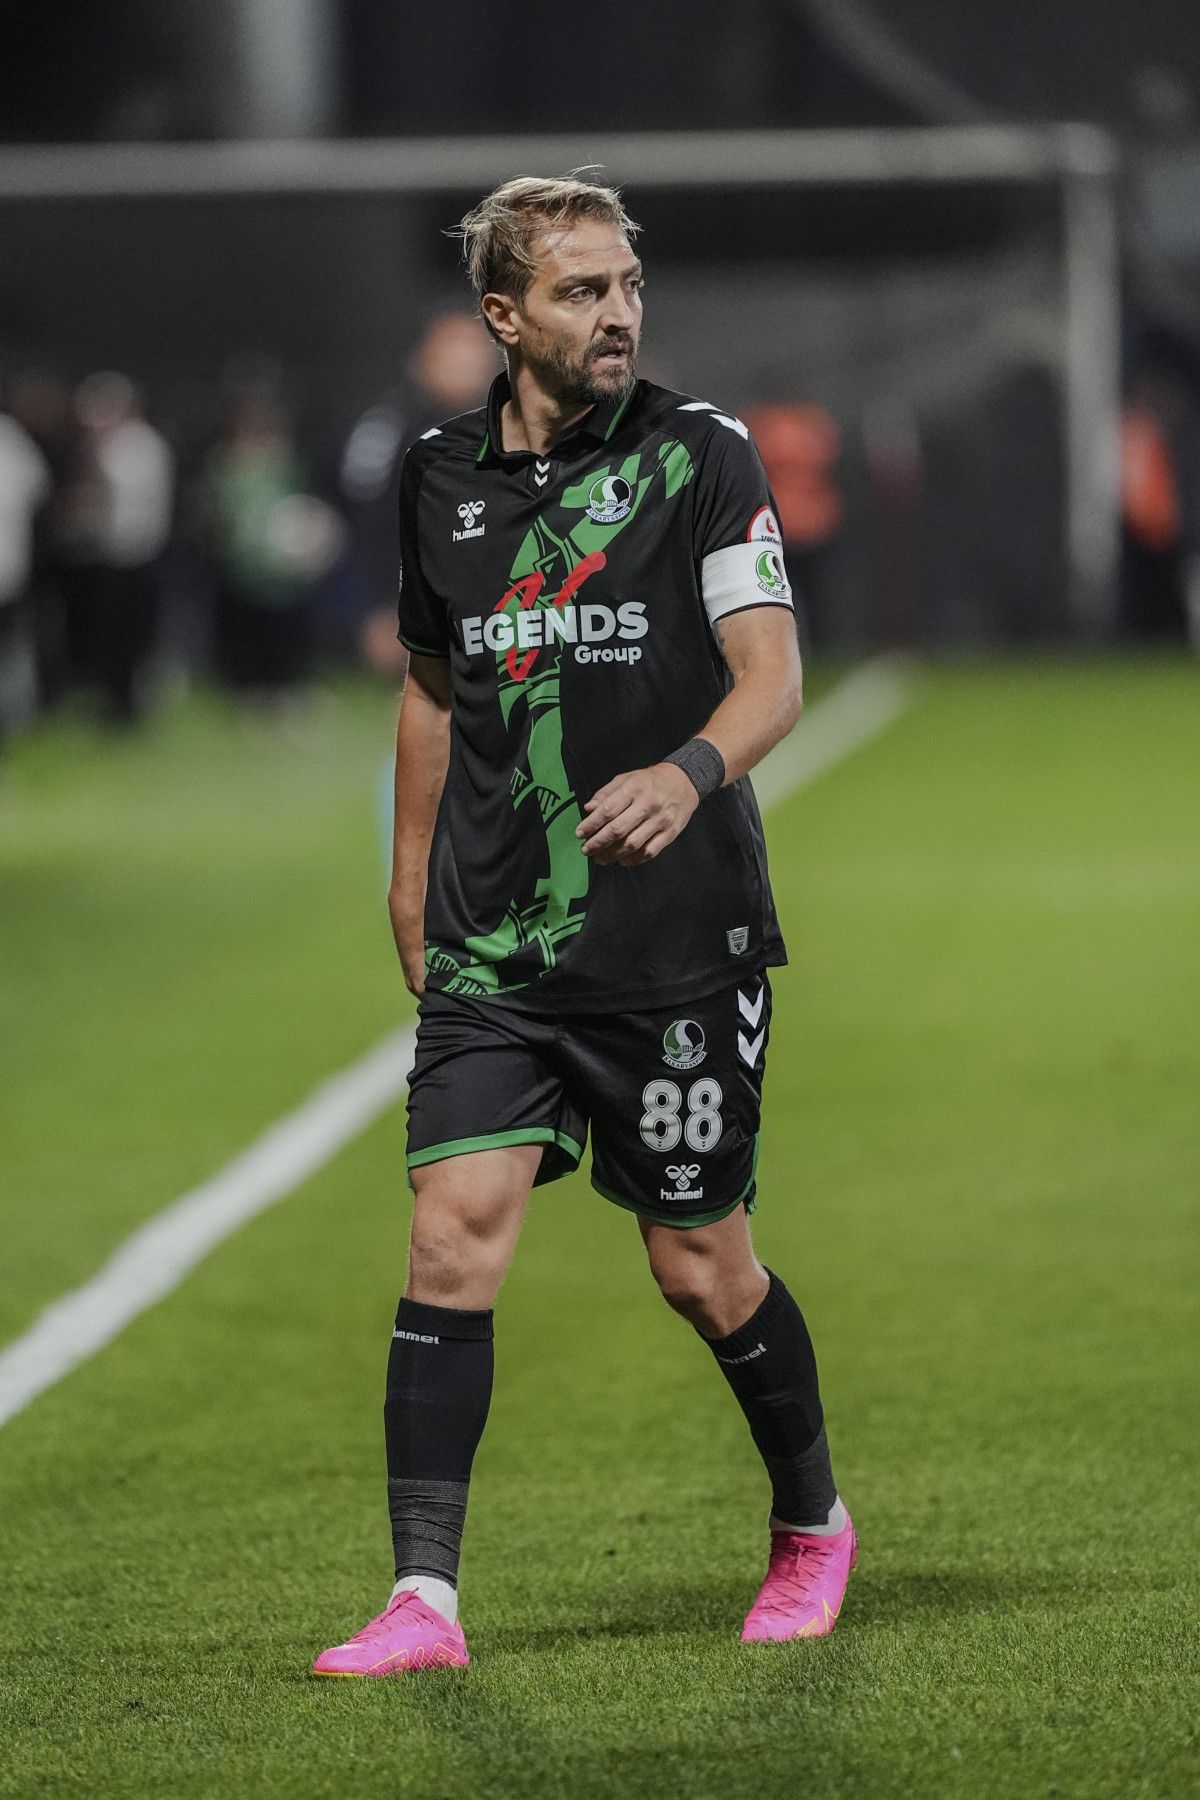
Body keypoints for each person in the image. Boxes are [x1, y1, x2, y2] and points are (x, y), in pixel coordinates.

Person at [313, 174, 856, 1679]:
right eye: (581, 291)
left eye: (627, 286)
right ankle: (424, 1600)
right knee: (449, 1236)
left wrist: (689, 775)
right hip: (499, 940)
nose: (619, 313)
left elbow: (772, 674)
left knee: (699, 1267)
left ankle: (811, 1524)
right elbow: (433, 689)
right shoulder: (436, 476)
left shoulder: (702, 455)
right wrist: (408, 878)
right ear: (504, 315)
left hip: (675, 944)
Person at [57, 373, 174, 726]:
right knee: (103, 636)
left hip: (135, 557)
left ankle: (127, 709)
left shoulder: (140, 445)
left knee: (128, 637)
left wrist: (95, 450)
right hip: (104, 556)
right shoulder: (108, 445)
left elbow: (110, 489)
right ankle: (109, 701)